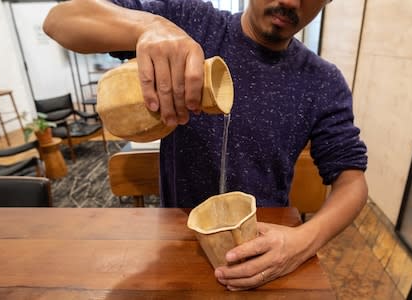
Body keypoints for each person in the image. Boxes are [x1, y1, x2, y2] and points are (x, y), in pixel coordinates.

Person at [44, 0, 368, 291]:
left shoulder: (322, 81)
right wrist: (151, 27)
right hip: (176, 241)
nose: (290, 2)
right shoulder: (193, 24)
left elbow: (351, 181)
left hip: (264, 244)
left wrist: (304, 240)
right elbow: (62, 20)